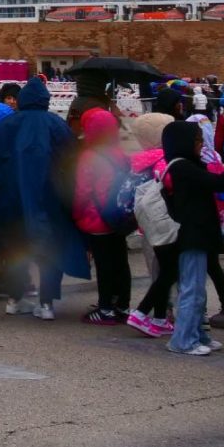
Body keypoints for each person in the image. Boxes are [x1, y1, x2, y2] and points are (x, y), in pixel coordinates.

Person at [0, 76, 80, 321]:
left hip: (10, 200)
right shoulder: (56, 125)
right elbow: (74, 160)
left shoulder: (5, 126)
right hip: (50, 200)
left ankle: (14, 299)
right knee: (50, 249)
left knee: (15, 248)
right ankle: (46, 304)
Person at [160, 119, 224, 357]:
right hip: (191, 233)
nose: (201, 144)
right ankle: (183, 340)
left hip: (197, 232)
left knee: (197, 289)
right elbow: (219, 183)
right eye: (197, 140)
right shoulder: (183, 167)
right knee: (192, 288)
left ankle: (197, 334)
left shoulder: (189, 164)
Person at [71, 110, 135, 324]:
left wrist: (76, 214)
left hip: (96, 218)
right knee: (121, 262)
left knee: (104, 265)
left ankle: (105, 308)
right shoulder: (119, 153)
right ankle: (123, 306)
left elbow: (82, 191)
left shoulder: (89, 156)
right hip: (118, 216)